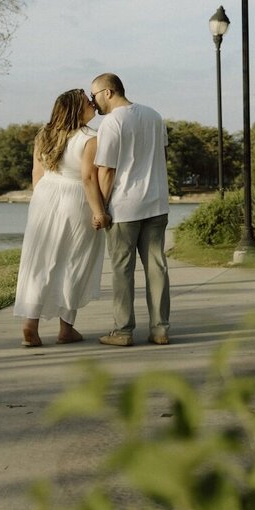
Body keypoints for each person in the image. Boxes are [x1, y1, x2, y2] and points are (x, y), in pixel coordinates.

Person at [13, 88, 110, 347]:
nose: (92, 104)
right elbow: (89, 178)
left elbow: (37, 173)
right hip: (76, 198)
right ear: (77, 110)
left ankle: (30, 325)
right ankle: (66, 329)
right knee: (74, 260)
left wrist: (41, 202)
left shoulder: (43, 135)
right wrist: (100, 211)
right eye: (87, 102)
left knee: (39, 261)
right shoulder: (91, 138)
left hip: (44, 197)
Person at [90, 73, 170, 346]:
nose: (94, 102)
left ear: (108, 92)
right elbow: (162, 155)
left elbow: (106, 171)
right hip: (157, 202)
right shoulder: (155, 116)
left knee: (122, 271)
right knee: (157, 268)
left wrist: (100, 207)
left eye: (95, 95)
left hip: (124, 207)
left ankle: (123, 331)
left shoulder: (112, 122)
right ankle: (160, 329)